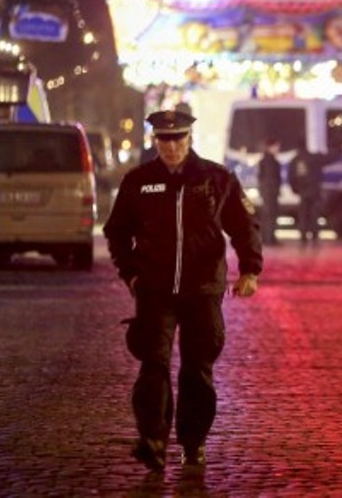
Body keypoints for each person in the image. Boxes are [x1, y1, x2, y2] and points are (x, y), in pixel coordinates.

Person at [103, 109, 263, 472]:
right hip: (154, 289)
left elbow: (244, 225)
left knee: (197, 368)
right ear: (155, 140)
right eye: (164, 139)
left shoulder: (216, 178)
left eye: (177, 139)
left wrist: (250, 269)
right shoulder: (139, 180)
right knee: (153, 365)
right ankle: (153, 439)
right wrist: (131, 275)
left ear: (189, 138)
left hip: (202, 289)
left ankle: (193, 442)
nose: (171, 147)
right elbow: (116, 231)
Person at [289, 142, 337, 246]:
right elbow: (329, 159)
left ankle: (303, 235)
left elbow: (291, 176)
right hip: (314, 190)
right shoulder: (314, 157)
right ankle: (314, 234)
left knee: (303, 214)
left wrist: (295, 189)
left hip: (302, 190)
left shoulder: (294, 160)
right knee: (314, 213)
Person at [258, 138, 282, 245]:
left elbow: (261, 177)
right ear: (271, 147)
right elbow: (271, 178)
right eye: (276, 146)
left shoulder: (264, 160)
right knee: (271, 214)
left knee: (267, 214)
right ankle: (270, 239)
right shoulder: (271, 161)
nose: (278, 148)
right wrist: (275, 190)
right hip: (270, 192)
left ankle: (266, 238)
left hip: (266, 191)